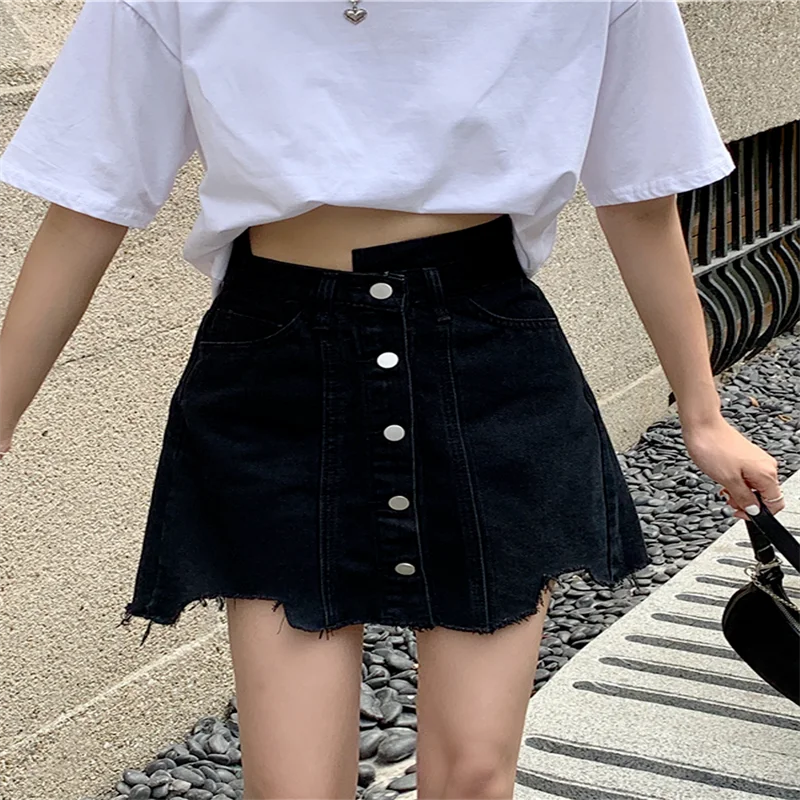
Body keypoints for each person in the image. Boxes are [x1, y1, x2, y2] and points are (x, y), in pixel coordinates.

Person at [0, 1, 786, 798]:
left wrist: (703, 415)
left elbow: (641, 197)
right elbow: (86, 204)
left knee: (473, 773)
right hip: (277, 367)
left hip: (484, 358)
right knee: (292, 786)